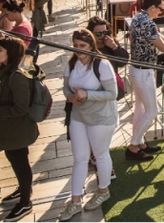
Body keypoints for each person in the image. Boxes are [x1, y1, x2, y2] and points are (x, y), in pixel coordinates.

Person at [59, 30, 118, 221]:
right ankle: (75, 201)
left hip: (101, 117)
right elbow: (66, 87)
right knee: (80, 158)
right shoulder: (71, 64)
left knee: (100, 154)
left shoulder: (102, 64)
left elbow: (112, 93)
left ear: (91, 45)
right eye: (75, 45)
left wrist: (87, 94)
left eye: (82, 46)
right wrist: (70, 96)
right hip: (79, 115)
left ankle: (103, 190)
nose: (78, 50)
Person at [0, 37, 40, 221]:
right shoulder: (6, 71)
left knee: (20, 164)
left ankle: (25, 202)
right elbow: (5, 94)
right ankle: (24, 189)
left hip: (17, 130)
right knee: (18, 162)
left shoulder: (17, 76)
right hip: (10, 129)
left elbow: (20, 108)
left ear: (10, 54)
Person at [126, 0, 164, 161]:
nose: (162, 11)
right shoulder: (148, 22)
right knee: (152, 111)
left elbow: (159, 38)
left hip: (136, 68)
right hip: (143, 71)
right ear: (152, 7)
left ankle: (140, 143)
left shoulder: (138, 18)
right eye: (160, 8)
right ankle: (133, 146)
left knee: (140, 109)